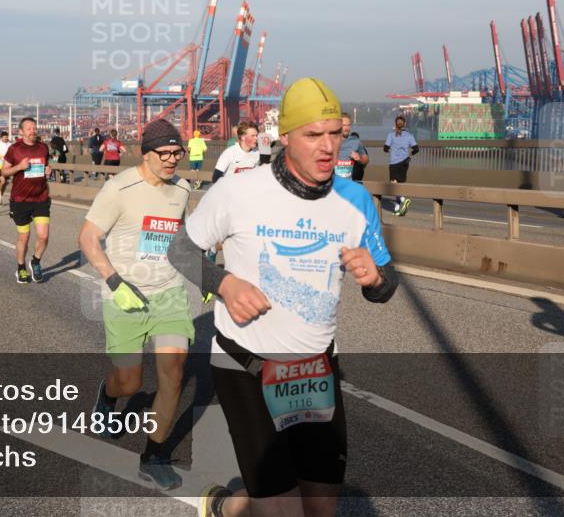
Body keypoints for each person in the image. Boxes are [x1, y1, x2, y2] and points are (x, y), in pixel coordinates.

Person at [166, 77, 398, 517]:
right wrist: (223, 283)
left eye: (336, 133)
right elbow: (180, 247)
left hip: (314, 369)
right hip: (244, 363)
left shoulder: (356, 201)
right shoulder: (240, 189)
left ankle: (226, 508)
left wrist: (375, 281)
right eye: (314, 135)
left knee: (319, 508)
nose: (329, 147)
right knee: (283, 511)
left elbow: (385, 285)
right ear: (285, 136)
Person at [79, 119, 193, 490]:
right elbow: (88, 238)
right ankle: (108, 395)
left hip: (169, 293)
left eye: (179, 152)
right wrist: (114, 280)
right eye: (166, 153)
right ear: (147, 153)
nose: (173, 160)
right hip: (125, 295)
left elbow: (181, 239)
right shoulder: (118, 189)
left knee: (173, 374)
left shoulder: (182, 189)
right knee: (129, 382)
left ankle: (154, 456)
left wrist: (204, 274)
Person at [1, 117, 51, 284]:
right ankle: (21, 267)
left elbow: (45, 167)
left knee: (43, 237)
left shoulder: (43, 148)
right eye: (29, 128)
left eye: (34, 128)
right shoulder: (14, 149)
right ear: (21, 132)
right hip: (20, 200)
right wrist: (19, 167)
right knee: (24, 237)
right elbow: (4, 172)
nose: (33, 131)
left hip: (41, 198)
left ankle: (35, 262)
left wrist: (48, 171)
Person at [384, 115, 418, 215]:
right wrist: (408, 155)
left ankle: (403, 200)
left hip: (394, 163)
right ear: (405, 124)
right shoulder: (409, 135)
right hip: (405, 163)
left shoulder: (391, 135)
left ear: (395, 124)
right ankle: (397, 208)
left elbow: (385, 148)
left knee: (394, 185)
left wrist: (391, 150)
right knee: (400, 185)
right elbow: (416, 149)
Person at [335, 114, 369, 181]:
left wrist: (359, 159)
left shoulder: (355, 141)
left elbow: (366, 160)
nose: (346, 128)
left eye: (348, 125)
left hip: (349, 183)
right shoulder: (330, 141)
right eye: (344, 125)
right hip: (332, 185)